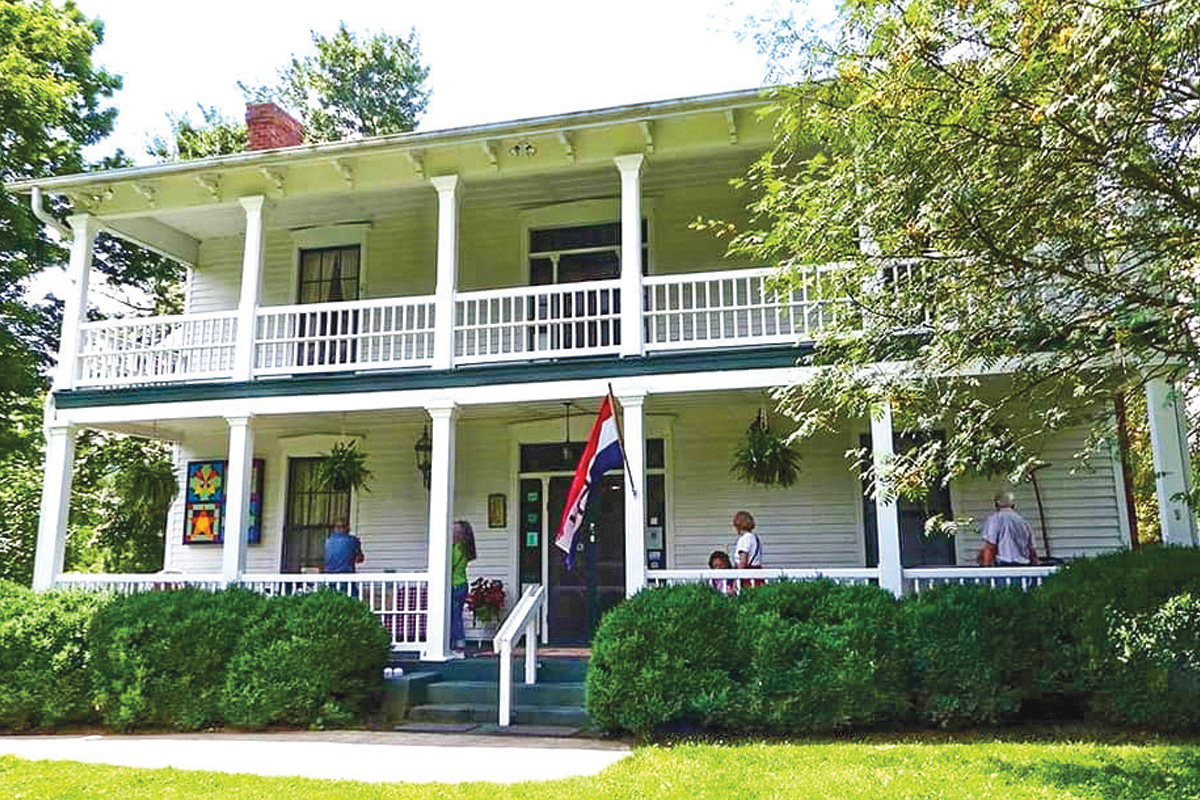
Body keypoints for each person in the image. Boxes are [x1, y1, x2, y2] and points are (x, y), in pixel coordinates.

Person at [978, 491, 1040, 566]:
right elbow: (1032, 551)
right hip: (1024, 567)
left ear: (996, 504)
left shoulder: (994, 520)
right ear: (1013, 505)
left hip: (1004, 566)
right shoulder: (1023, 522)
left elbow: (990, 547)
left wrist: (986, 570)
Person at [450, 520, 477, 658]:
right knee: (456, 615)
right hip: (462, 584)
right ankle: (458, 644)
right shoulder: (465, 548)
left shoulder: (457, 548)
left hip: (455, 585)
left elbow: (449, 563)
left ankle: (458, 646)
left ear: (460, 533)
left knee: (454, 617)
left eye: (454, 530)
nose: (451, 532)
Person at [730, 510, 764, 588]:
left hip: (748, 576)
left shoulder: (744, 539)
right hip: (757, 573)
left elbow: (743, 561)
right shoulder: (754, 537)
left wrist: (736, 580)